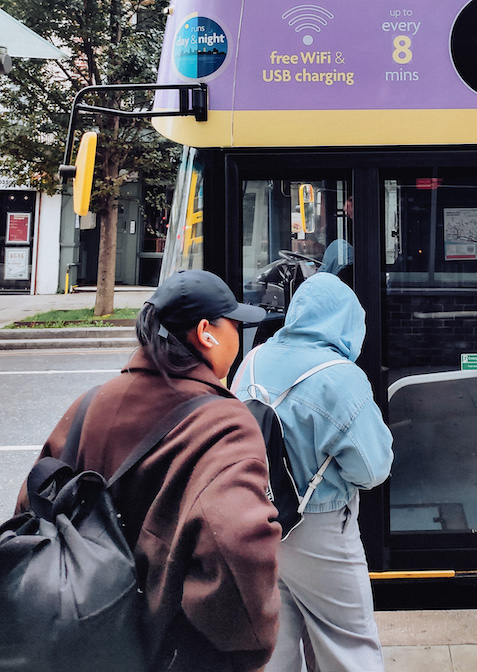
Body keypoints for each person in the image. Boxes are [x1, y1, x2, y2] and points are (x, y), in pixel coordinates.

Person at [16, 269, 281, 672]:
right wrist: (246, 650)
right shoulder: (226, 424)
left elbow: (31, 506)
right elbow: (237, 544)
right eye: (235, 325)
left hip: (77, 642)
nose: (240, 336)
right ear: (206, 333)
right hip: (171, 653)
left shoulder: (89, 404)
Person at [234, 273, 393, 672]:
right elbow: (373, 469)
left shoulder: (254, 360)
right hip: (319, 527)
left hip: (257, 520)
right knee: (347, 642)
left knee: (275, 644)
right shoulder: (340, 377)